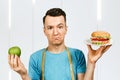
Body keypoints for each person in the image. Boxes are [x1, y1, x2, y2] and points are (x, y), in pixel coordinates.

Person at [8, 8, 111, 80]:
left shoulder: (77, 55)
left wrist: (91, 63)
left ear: (66, 29)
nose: (55, 32)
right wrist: (24, 74)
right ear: (44, 31)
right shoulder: (35, 58)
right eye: (50, 28)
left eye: (60, 27)